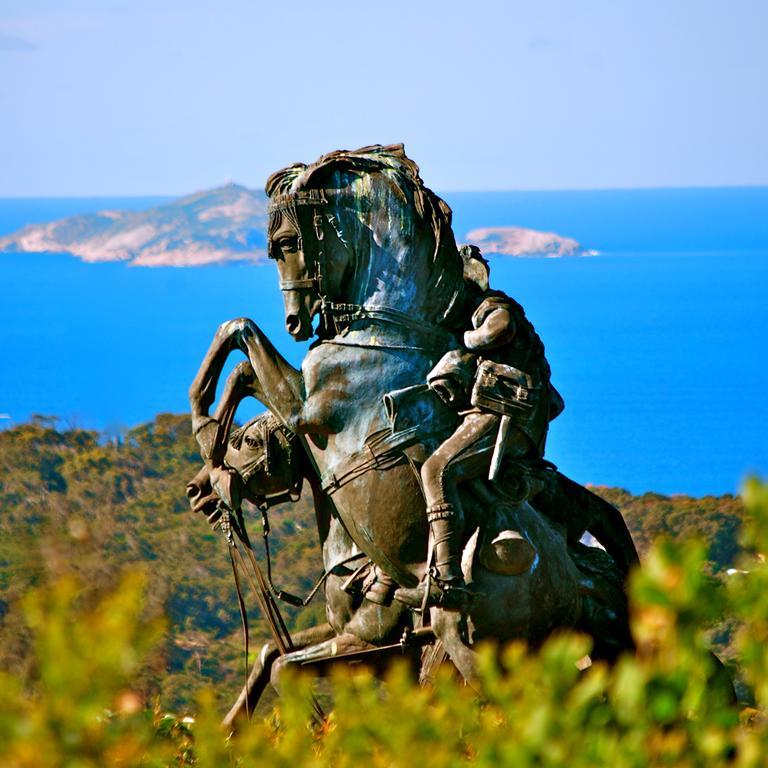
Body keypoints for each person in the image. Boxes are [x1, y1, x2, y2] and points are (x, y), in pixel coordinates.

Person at [420, 246, 564, 609]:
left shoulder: (489, 305)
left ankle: (448, 578)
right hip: (511, 414)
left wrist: (466, 342)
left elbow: (498, 328)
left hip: (505, 414)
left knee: (437, 470)